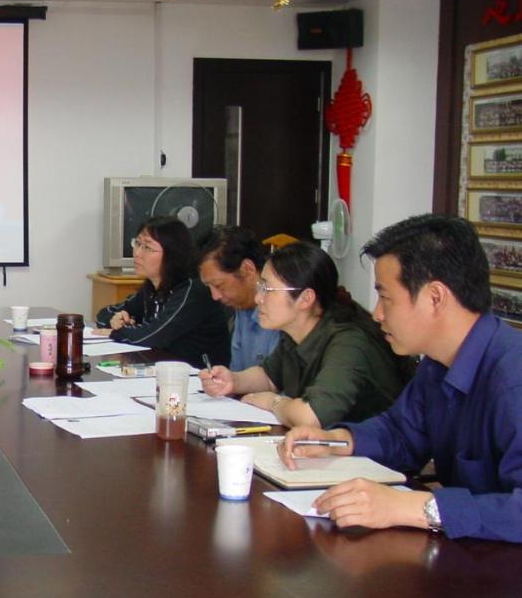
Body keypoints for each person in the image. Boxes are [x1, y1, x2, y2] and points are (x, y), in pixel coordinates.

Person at [280, 214, 522, 543]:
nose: (377, 314)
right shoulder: (437, 365)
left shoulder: (512, 378)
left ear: (435, 298)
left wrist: (411, 507)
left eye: (386, 298)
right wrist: (335, 441)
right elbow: (402, 434)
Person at [200, 241, 411, 428]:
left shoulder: (348, 343)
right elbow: (269, 376)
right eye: (260, 287)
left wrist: (274, 402)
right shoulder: (295, 332)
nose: (258, 299)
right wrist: (233, 380)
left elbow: (310, 416)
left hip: (374, 456)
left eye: (268, 290)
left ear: (305, 298)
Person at [94, 216, 230, 368]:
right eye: (137, 243)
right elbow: (103, 314)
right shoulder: (151, 287)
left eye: (147, 248)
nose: (137, 253)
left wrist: (117, 331)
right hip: (163, 370)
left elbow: (153, 336)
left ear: (172, 254)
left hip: (199, 377)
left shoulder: (191, 290)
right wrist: (116, 320)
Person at [198, 226, 280, 370]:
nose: (215, 296)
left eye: (218, 285)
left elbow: (275, 380)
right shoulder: (242, 307)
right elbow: (238, 371)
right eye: (208, 287)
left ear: (247, 269)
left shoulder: (281, 311)